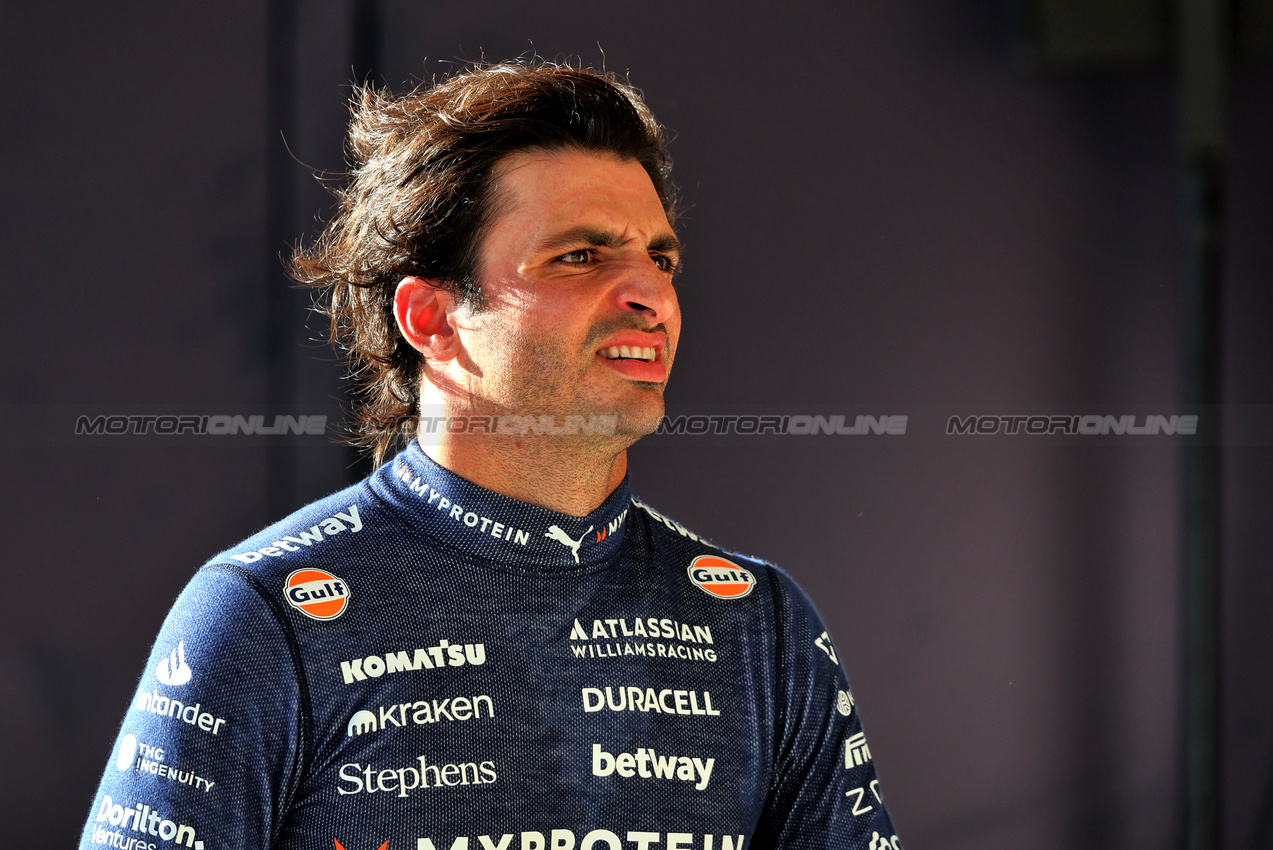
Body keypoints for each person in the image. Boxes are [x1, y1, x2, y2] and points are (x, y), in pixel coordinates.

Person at [79, 62, 903, 850]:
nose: (651, 294)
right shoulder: (267, 612)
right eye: (579, 256)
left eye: (661, 258)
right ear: (432, 319)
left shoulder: (757, 620)